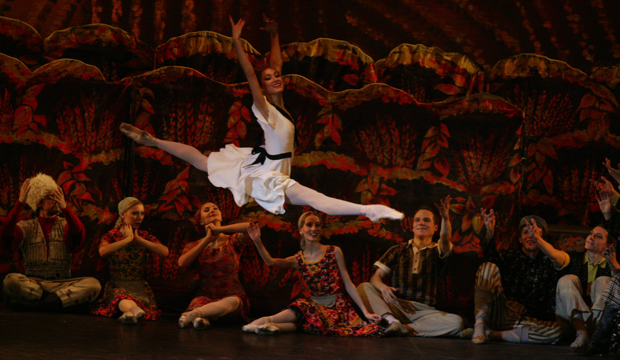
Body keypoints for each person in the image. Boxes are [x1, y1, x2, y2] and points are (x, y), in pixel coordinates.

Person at [119, 15, 403, 223]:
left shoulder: (280, 101)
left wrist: (275, 35)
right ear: (263, 87)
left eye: (277, 76)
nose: (275, 78)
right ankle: (369, 210)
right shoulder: (264, 108)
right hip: (269, 173)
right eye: (269, 79)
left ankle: (153, 140)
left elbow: (275, 64)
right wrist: (236, 43)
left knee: (206, 163)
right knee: (312, 198)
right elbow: (252, 74)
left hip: (268, 162)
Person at [242, 211, 383, 337]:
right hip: (315, 308)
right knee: (301, 321)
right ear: (301, 230)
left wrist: (365, 312)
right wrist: (256, 240)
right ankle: (267, 327)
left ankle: (264, 325)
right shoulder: (298, 259)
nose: (314, 229)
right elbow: (271, 262)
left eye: (317, 225)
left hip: (337, 309)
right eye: (309, 225)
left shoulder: (334, 251)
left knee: (301, 312)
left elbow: (348, 283)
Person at [357, 196, 466, 337]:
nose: (421, 223)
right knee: (363, 287)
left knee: (456, 323)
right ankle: (391, 321)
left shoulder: (437, 251)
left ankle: (403, 328)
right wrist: (383, 287)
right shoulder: (398, 250)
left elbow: (445, 239)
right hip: (395, 305)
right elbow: (376, 277)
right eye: (417, 220)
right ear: (413, 226)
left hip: (424, 311)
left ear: (435, 228)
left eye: (426, 220)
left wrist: (445, 218)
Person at [2, 174, 101, 311]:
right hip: (34, 283)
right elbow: (6, 234)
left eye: (57, 197)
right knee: (10, 280)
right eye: (50, 198)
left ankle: (40, 305)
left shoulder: (66, 223)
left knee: (93, 285)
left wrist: (65, 208)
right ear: (39, 203)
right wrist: (20, 203)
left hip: (61, 283)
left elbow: (78, 233)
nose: (56, 201)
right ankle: (56, 302)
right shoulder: (25, 226)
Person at [470, 210, 567, 345]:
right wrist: (490, 234)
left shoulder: (548, 263)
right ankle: (479, 324)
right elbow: (489, 255)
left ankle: (492, 334)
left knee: (556, 332)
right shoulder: (509, 257)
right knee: (488, 267)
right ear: (520, 239)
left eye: (535, 232)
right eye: (526, 232)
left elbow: (560, 262)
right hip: (500, 312)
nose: (530, 236)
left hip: (523, 321)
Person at [555, 187, 617, 348]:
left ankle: (594, 335)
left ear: (608, 244)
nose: (591, 237)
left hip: (599, 325)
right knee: (567, 279)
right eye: (590, 233)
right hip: (571, 322)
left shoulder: (611, 263)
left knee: (605, 280)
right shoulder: (574, 260)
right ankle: (581, 333)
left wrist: (607, 214)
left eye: (598, 236)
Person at [176, 201, 253, 330]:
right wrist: (207, 239)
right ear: (201, 221)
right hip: (206, 297)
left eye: (215, 208)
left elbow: (250, 227)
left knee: (233, 301)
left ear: (221, 216)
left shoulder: (232, 241)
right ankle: (201, 320)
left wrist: (219, 230)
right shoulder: (195, 245)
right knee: (196, 302)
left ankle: (196, 315)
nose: (212, 210)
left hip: (231, 298)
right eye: (206, 210)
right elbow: (182, 263)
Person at [92, 197, 169, 324]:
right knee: (119, 295)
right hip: (117, 284)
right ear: (123, 214)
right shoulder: (112, 235)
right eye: (135, 213)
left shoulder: (144, 236)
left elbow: (164, 252)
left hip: (138, 286)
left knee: (124, 301)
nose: (139, 217)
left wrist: (138, 239)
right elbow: (103, 252)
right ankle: (134, 309)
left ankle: (128, 313)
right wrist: (127, 240)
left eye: (142, 213)